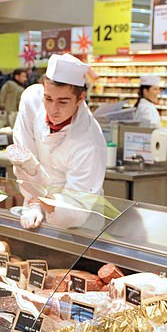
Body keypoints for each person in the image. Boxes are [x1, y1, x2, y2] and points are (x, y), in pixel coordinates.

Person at [9, 53, 107, 230]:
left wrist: (40, 195)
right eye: (48, 98)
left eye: (63, 102)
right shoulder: (31, 100)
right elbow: (25, 154)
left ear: (80, 98)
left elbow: (75, 208)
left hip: (78, 223)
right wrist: (34, 203)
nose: (53, 110)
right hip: (35, 206)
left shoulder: (89, 141)